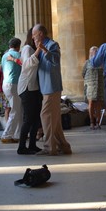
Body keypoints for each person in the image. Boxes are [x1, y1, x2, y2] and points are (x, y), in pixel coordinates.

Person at [32, 24, 72, 156]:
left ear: (41, 34)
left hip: (52, 86)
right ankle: (64, 146)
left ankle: (50, 147)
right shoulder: (39, 47)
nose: (32, 37)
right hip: (46, 87)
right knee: (54, 119)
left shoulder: (52, 45)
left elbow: (55, 61)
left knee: (45, 116)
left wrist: (43, 50)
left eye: (34, 34)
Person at [17, 27, 43, 154]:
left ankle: (32, 144)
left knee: (35, 118)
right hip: (26, 87)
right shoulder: (27, 48)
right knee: (28, 118)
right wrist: (39, 49)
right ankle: (21, 147)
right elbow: (26, 64)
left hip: (34, 88)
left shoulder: (32, 49)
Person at [0, 38, 22, 143]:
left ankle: (17, 134)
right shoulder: (17, 54)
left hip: (6, 84)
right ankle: (7, 134)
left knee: (17, 109)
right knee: (15, 110)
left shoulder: (4, 56)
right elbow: (24, 64)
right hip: (14, 84)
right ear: (18, 46)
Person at [82, 46, 103, 130]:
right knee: (91, 104)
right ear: (90, 53)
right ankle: (91, 122)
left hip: (100, 85)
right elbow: (83, 73)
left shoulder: (101, 62)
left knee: (98, 104)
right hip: (90, 85)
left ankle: (98, 122)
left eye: (96, 52)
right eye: (93, 52)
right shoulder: (87, 62)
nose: (94, 53)